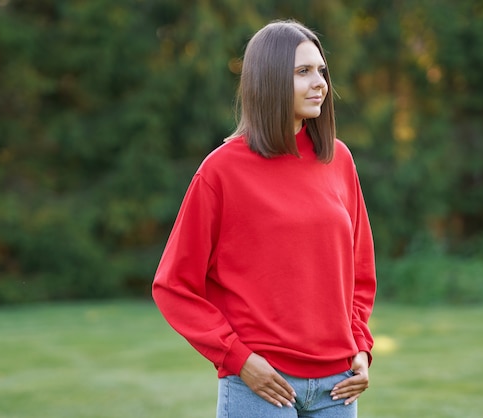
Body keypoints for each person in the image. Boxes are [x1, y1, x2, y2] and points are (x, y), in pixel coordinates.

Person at [152, 19, 377, 418]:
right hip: (262, 387)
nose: (320, 82)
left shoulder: (338, 160)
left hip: (338, 387)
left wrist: (360, 345)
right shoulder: (221, 171)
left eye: (321, 70)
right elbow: (174, 286)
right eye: (303, 72)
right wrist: (238, 359)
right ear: (269, 80)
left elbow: (359, 272)